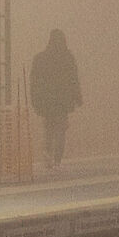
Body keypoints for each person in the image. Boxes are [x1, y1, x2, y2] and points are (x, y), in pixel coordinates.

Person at [29, 29, 82, 169]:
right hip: (62, 101)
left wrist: (35, 99)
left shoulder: (40, 58)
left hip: (46, 101)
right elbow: (73, 79)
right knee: (60, 130)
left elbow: (34, 81)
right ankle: (57, 160)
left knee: (48, 128)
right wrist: (77, 96)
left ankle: (47, 153)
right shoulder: (68, 58)